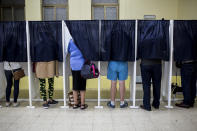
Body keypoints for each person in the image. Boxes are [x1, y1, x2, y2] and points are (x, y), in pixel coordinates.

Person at [67, 39, 87, 110]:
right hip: (81, 64)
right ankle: (82, 104)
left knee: (75, 84)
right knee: (82, 85)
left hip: (73, 64)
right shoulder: (83, 40)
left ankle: (75, 104)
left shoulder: (70, 41)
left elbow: (69, 50)